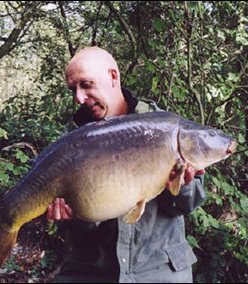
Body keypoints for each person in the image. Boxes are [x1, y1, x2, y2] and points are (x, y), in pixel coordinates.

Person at [47, 47, 205, 283]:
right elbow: (79, 235)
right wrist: (73, 220)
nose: (79, 98)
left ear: (113, 76)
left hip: (160, 271)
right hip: (92, 271)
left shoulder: (166, 127)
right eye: (74, 89)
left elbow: (188, 204)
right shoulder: (74, 142)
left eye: (86, 84)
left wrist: (181, 185)